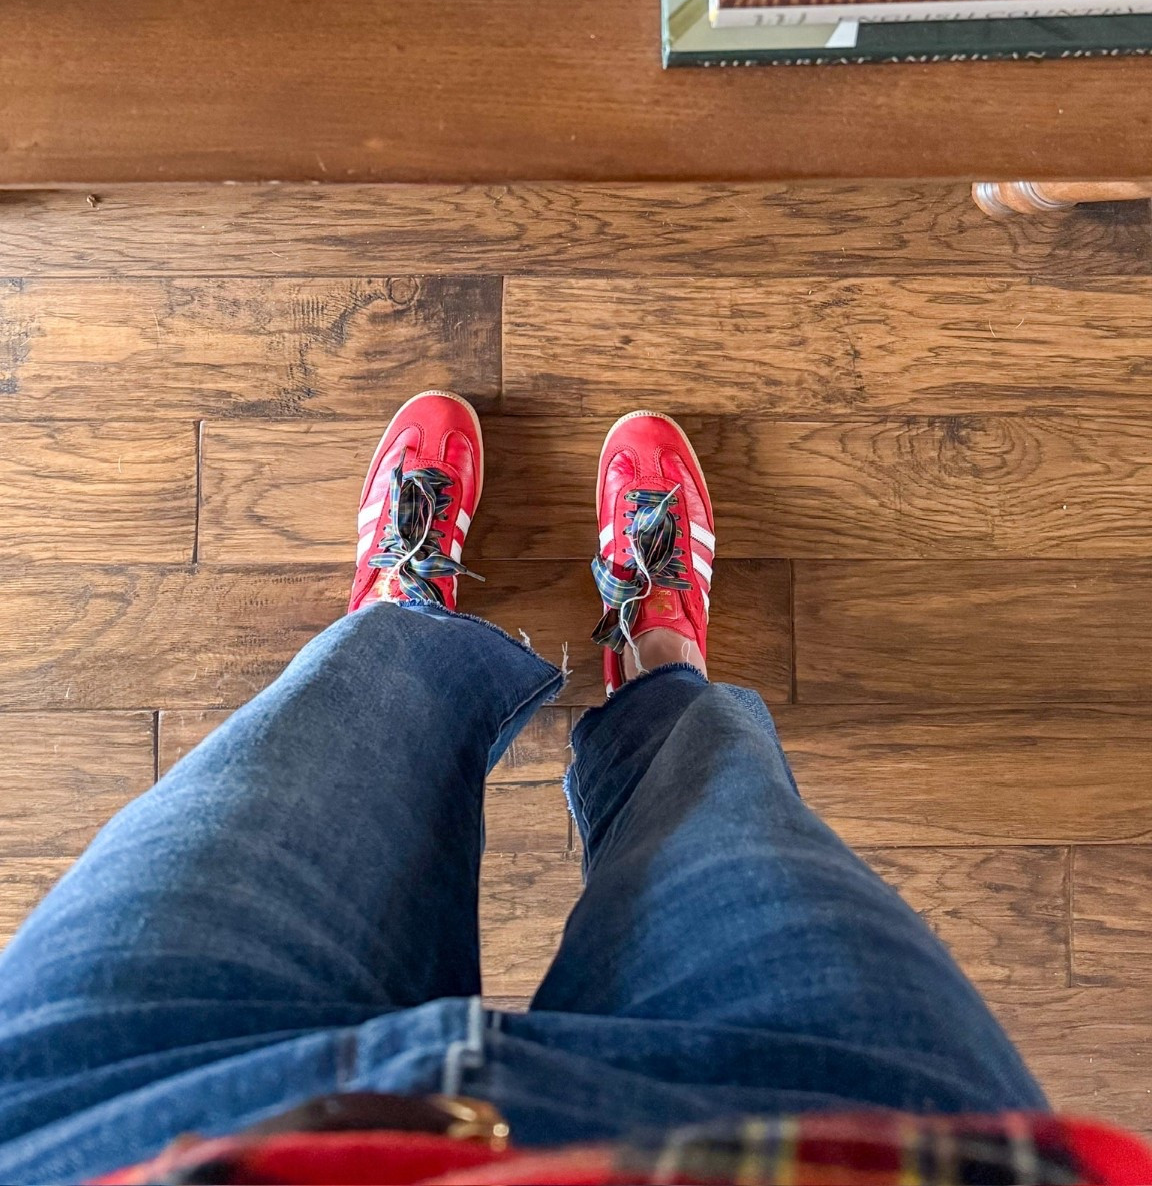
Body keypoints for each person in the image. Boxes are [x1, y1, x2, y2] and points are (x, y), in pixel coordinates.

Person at [0, 394, 1145, 1186]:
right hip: (845, 1128)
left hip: (84, 1125)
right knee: (716, 792)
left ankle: (403, 611)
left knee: (332, 723)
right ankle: (656, 654)